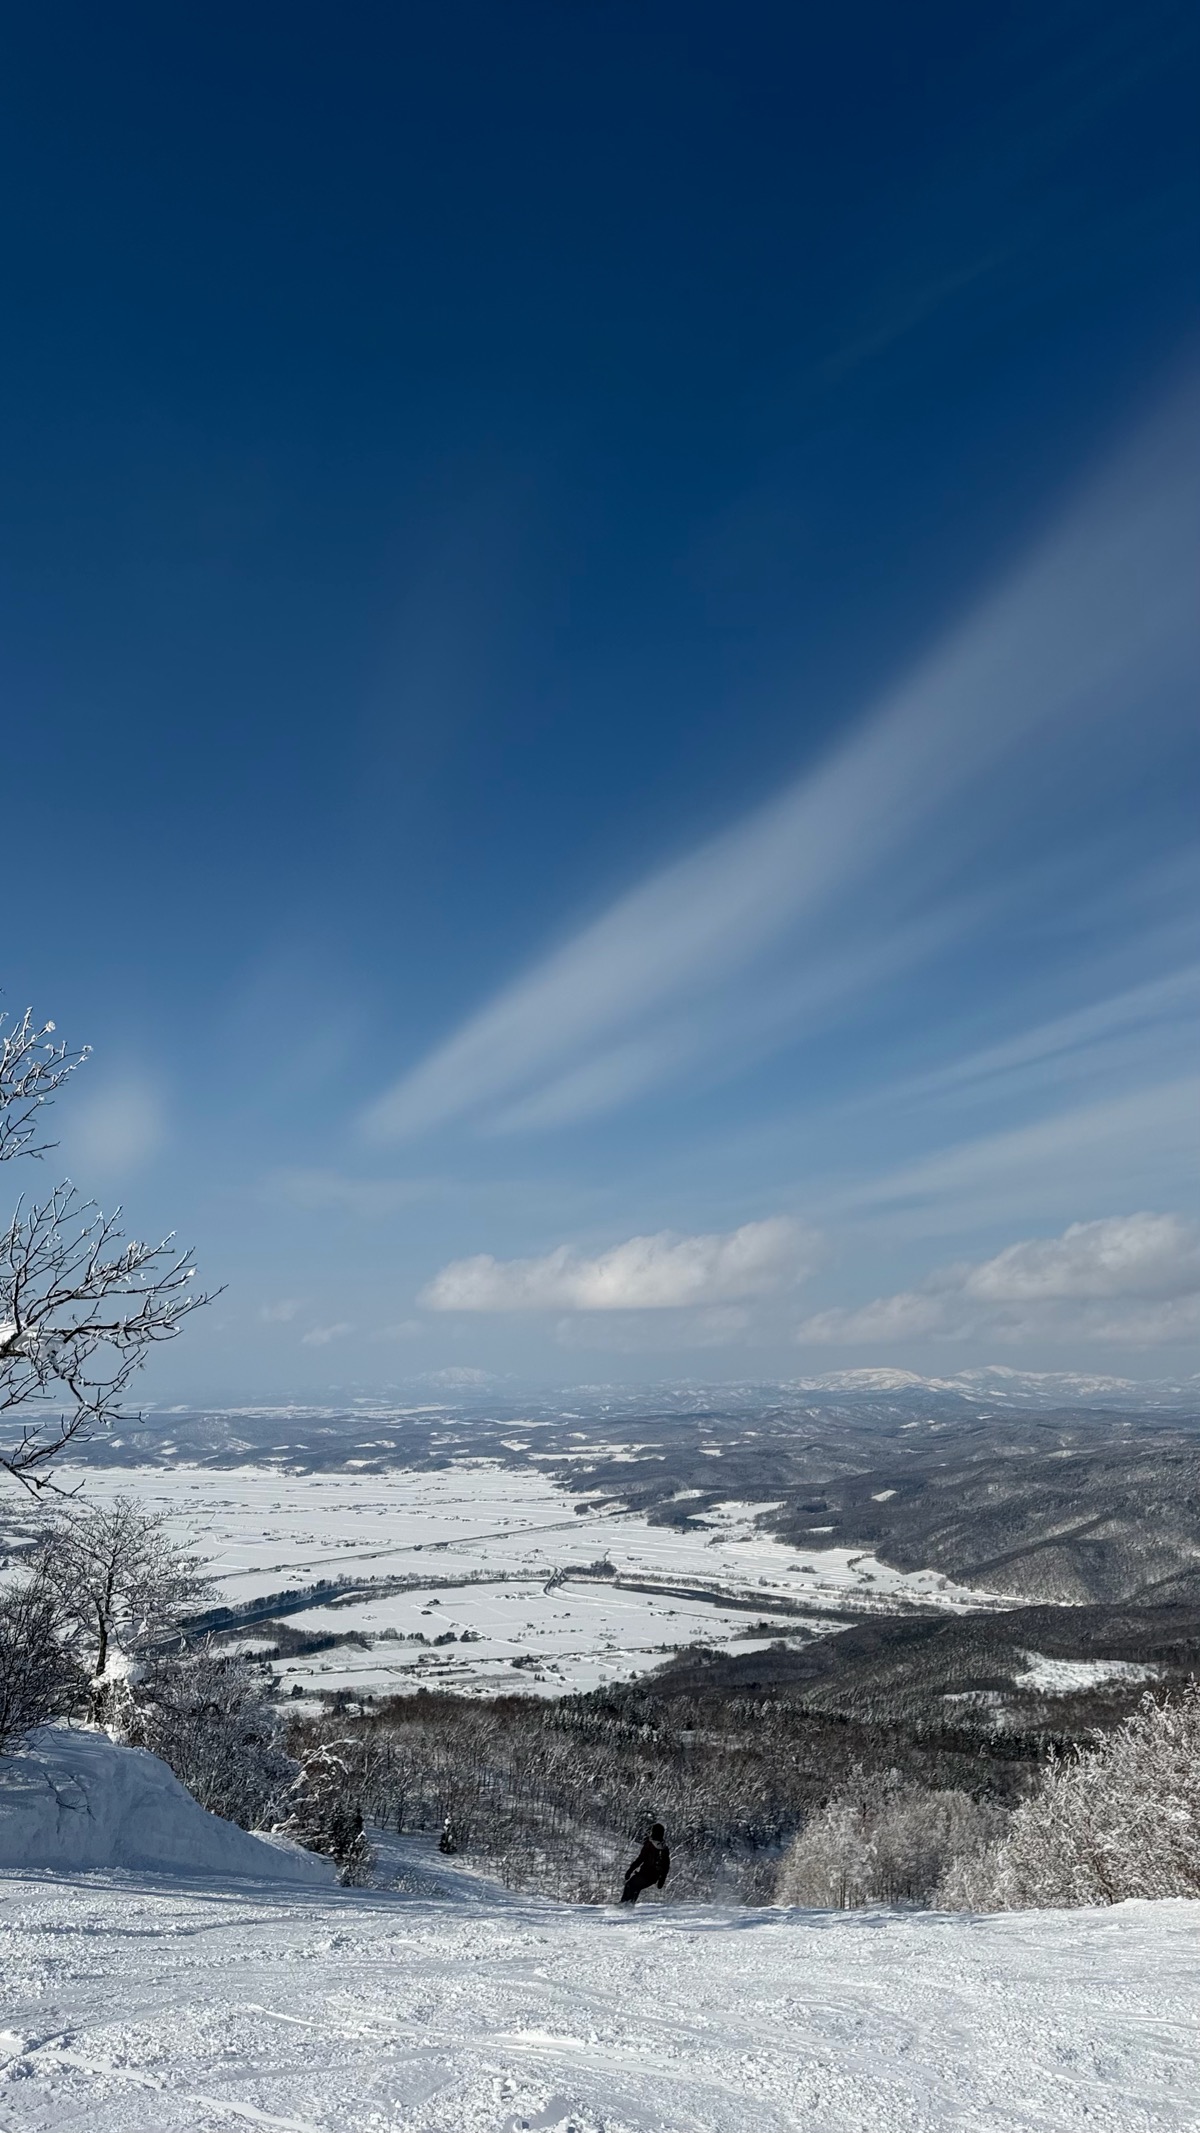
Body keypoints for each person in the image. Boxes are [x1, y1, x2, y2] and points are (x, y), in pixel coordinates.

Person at [620, 1821, 669, 1904]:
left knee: (630, 1885)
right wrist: (662, 1879)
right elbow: (666, 1865)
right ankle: (629, 1905)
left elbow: (640, 1859)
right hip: (654, 1877)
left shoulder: (649, 1845)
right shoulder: (664, 1847)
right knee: (636, 1887)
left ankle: (624, 1904)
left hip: (645, 1874)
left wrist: (630, 1870)